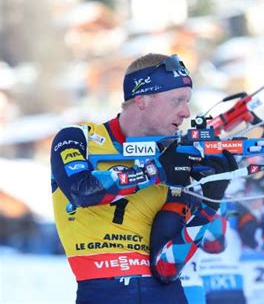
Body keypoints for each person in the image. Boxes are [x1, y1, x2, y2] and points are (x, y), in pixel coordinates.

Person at [50, 53, 236, 303]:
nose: (186, 112)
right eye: (177, 101)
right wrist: (155, 170)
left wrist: (210, 202)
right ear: (142, 99)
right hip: (101, 292)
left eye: (187, 101)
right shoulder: (78, 138)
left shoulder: (176, 157)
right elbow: (82, 190)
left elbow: (166, 267)